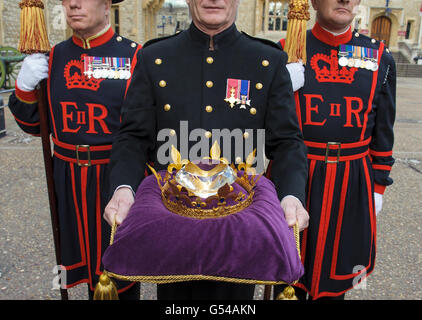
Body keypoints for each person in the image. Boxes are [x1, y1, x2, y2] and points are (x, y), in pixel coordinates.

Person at [103, 0, 309, 300]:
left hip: (240, 221)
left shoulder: (267, 61)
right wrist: (124, 187)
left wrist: (291, 195)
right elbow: (133, 137)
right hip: (172, 219)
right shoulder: (155, 57)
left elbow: (287, 141)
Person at [8, 0, 141, 299]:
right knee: (73, 261)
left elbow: (147, 130)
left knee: (121, 273)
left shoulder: (134, 56)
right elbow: (34, 127)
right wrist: (25, 88)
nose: (74, 4)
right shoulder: (54, 57)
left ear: (107, 5)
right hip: (66, 179)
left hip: (114, 176)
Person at [274, 0, 396, 300]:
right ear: (313, 2)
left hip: (351, 181)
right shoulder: (285, 49)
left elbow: (383, 128)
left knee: (336, 277)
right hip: (297, 176)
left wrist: (378, 184)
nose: (344, 0)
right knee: (285, 273)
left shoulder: (379, 55)